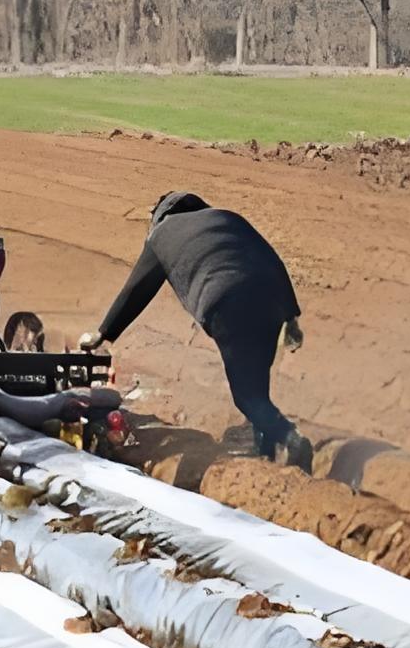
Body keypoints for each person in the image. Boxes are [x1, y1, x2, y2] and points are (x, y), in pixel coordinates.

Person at [78, 191, 309, 466]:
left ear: (161, 216)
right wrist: (291, 314)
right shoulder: (227, 218)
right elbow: (271, 260)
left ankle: (291, 438)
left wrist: (105, 332)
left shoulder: (162, 234)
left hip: (226, 302)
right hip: (271, 300)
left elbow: (137, 290)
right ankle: (266, 452)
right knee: (257, 384)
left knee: (245, 397)